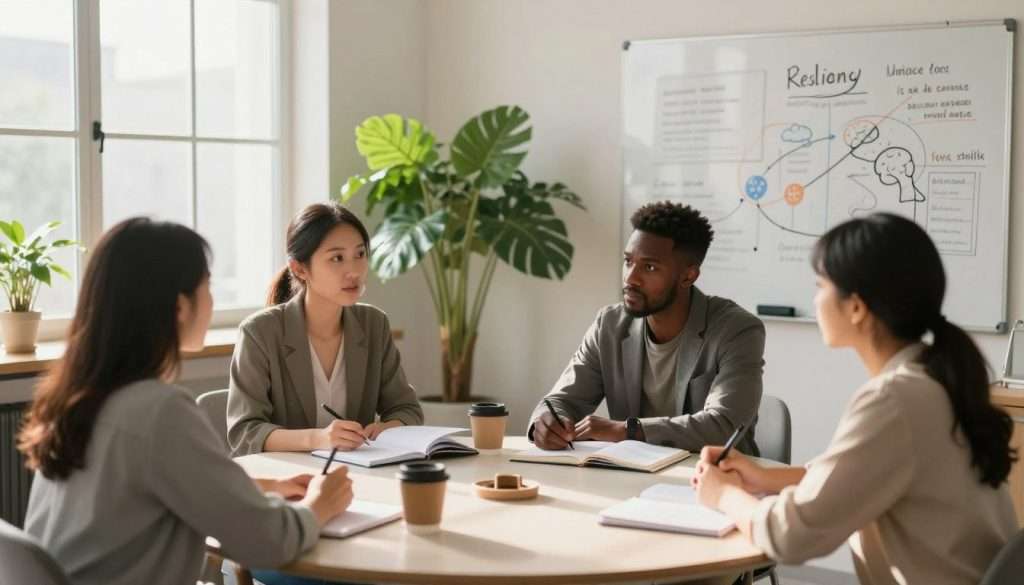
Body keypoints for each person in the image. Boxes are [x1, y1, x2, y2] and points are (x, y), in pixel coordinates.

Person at [17, 218, 352, 585]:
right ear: (180, 306)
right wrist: (319, 505)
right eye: (207, 285)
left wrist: (258, 488)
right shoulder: (160, 411)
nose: (212, 299)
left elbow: (142, 489)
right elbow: (268, 543)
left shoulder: (78, 398)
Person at [693, 213, 1018, 585]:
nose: (814, 300)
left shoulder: (895, 400)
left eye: (820, 285)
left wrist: (723, 495)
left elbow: (790, 537)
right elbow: (854, 473)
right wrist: (765, 476)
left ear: (857, 307)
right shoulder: (932, 380)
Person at [529, 201, 765, 454]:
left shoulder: (737, 330)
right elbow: (560, 401)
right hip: (633, 478)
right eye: (628, 261)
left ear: (688, 276)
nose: (631, 278)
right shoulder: (609, 325)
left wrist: (629, 430)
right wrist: (545, 423)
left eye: (649, 267)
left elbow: (725, 425)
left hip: (718, 480)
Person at [227, 202, 423, 457]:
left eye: (360, 254)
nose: (353, 271)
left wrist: (387, 429)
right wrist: (318, 438)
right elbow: (245, 432)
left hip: (356, 473)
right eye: (337, 258)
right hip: (286, 479)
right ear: (299, 268)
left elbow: (407, 409)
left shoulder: (373, 324)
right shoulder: (259, 332)